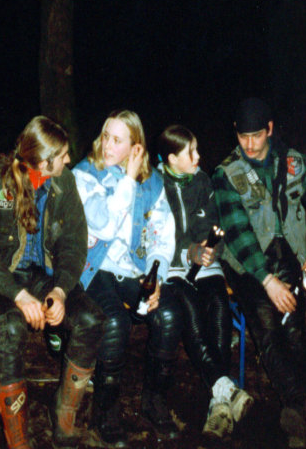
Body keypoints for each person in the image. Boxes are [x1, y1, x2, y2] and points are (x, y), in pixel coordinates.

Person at [0, 115, 104, 449]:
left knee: (90, 319)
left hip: (41, 275)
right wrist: (18, 294)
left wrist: (60, 290)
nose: (69, 160)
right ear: (44, 161)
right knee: (11, 326)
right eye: (63, 155)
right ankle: (17, 438)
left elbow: (75, 243)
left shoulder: (64, 182)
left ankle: (64, 420)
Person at [212, 97, 306, 448]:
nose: (250, 144)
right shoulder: (226, 173)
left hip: (288, 257)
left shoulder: (293, 163)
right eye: (243, 136)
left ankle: (302, 411)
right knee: (268, 325)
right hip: (246, 266)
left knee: (294, 326)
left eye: (257, 135)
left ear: (270, 129)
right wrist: (268, 281)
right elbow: (238, 236)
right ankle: (301, 406)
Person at [73, 110, 181, 447]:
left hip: (132, 269)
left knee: (167, 314)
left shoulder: (153, 183)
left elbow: (163, 235)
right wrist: (128, 179)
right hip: (93, 268)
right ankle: (105, 410)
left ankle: (154, 401)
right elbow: (104, 225)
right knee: (115, 321)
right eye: (106, 136)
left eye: (117, 140)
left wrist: (156, 276)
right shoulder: (85, 175)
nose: (107, 145)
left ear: (136, 148)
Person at [157, 125, 254, 439]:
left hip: (205, 264)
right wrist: (189, 251)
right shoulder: (155, 185)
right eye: (190, 152)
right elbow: (157, 236)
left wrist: (213, 250)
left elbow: (215, 224)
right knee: (191, 310)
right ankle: (225, 390)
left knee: (219, 303)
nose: (199, 156)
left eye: (197, 148)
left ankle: (219, 402)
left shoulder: (202, 181)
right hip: (172, 266)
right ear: (172, 158)